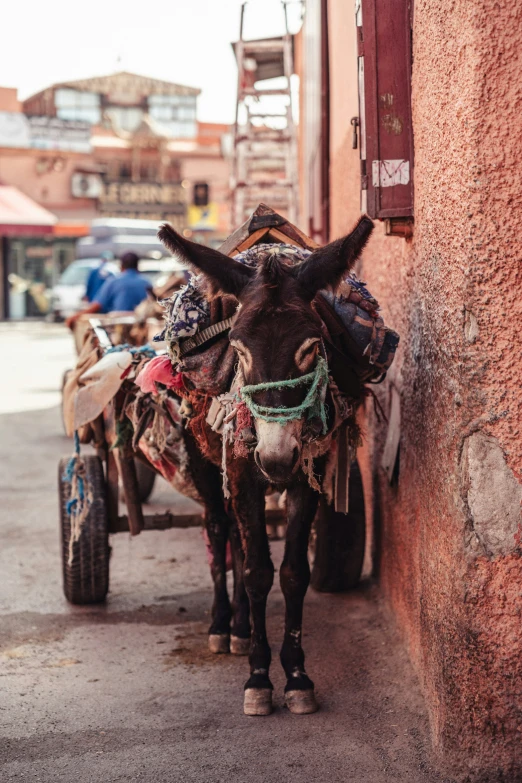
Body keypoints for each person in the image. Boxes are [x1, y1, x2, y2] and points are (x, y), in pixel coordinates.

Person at [66, 252, 152, 329]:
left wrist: (75, 316)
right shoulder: (147, 283)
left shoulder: (113, 281)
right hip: (141, 327)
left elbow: (96, 305)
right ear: (137, 266)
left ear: (121, 266)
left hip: (118, 327)